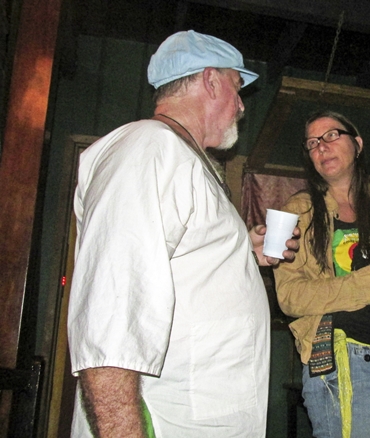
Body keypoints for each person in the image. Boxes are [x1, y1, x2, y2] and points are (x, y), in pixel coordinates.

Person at [67, 30, 299, 438]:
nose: (241, 105)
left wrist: (243, 251)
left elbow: (182, 263)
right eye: (237, 87)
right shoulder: (148, 147)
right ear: (211, 80)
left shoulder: (182, 158)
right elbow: (111, 307)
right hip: (167, 420)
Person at [273, 110, 370, 438]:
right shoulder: (296, 210)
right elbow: (289, 297)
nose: (321, 146)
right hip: (343, 358)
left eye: (331, 135)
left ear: (357, 144)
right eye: (312, 143)